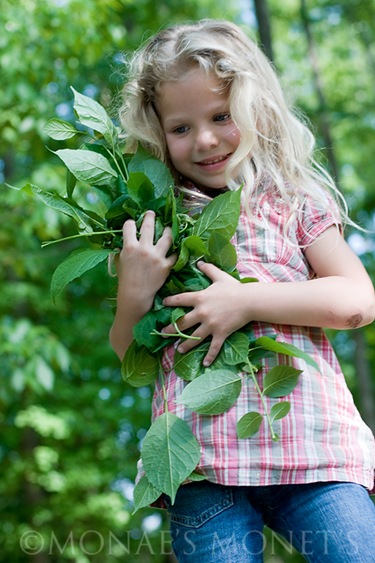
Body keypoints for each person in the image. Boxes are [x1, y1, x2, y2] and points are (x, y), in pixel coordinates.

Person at [109, 19, 375, 562]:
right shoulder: (156, 225)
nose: (204, 139)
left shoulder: (289, 201)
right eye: (180, 128)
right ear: (156, 134)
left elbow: (356, 302)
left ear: (254, 109)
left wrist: (246, 301)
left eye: (221, 116)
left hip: (314, 454)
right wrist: (134, 292)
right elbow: (130, 354)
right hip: (200, 465)